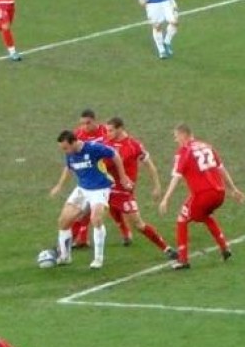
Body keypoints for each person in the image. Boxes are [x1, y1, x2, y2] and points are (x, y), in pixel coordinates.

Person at [159, 124, 245, 270]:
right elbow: (221, 169)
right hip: (219, 193)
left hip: (203, 195)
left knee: (182, 219)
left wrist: (166, 198)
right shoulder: (207, 146)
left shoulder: (184, 151)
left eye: (176, 136)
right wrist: (233, 189)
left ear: (183, 135)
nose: (175, 140)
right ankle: (224, 248)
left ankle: (183, 259)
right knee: (203, 215)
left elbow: (176, 177)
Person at [49, 130, 131, 268]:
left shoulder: (93, 148)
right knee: (63, 221)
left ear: (74, 142)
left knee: (96, 219)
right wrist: (59, 185)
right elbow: (68, 168)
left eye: (66, 148)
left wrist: (122, 177)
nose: (65, 151)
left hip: (100, 189)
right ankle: (64, 256)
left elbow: (115, 154)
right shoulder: (70, 154)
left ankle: (98, 258)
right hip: (82, 189)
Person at [103, 117, 177, 259]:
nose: (108, 133)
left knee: (138, 224)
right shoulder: (107, 143)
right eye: (106, 130)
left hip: (124, 192)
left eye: (111, 130)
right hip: (105, 188)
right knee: (88, 214)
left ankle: (166, 249)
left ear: (120, 129)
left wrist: (157, 186)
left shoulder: (133, 145)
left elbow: (150, 166)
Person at [65, 109, 114, 248]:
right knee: (86, 208)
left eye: (88, 123)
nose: (85, 127)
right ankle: (80, 237)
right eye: (82, 124)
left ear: (95, 120)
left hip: (108, 170)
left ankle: (126, 232)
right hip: (92, 173)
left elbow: (112, 149)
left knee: (116, 205)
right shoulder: (78, 134)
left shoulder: (106, 131)